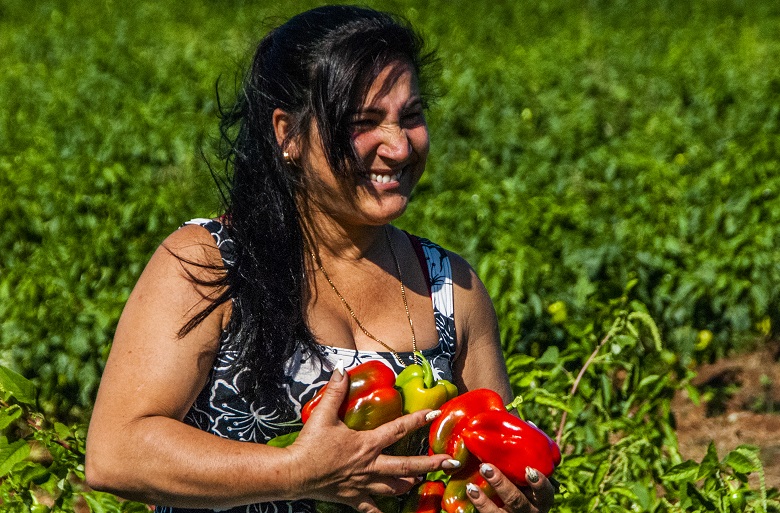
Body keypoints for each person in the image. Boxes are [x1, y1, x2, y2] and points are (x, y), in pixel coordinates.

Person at [85, 5, 555, 513]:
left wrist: (514, 498)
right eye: (364, 122)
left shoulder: (450, 288)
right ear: (287, 134)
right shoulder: (212, 262)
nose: (398, 147)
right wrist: (297, 472)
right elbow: (116, 453)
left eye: (411, 117)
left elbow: (494, 457)